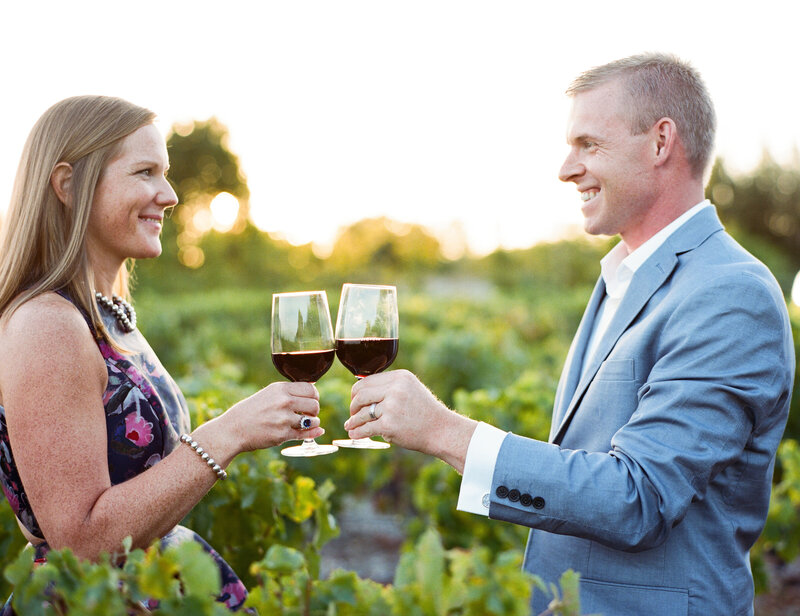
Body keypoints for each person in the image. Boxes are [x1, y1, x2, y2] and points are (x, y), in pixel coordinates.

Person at [344, 53, 795, 615]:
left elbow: (639, 497)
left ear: (660, 143)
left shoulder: (728, 293)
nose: (565, 168)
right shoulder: (620, 278)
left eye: (589, 145)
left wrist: (444, 432)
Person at [0, 96, 326, 613]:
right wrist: (229, 433)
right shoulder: (47, 324)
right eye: (145, 172)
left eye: (166, 173)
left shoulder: (103, 312)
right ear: (67, 185)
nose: (169, 195)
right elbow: (81, 545)